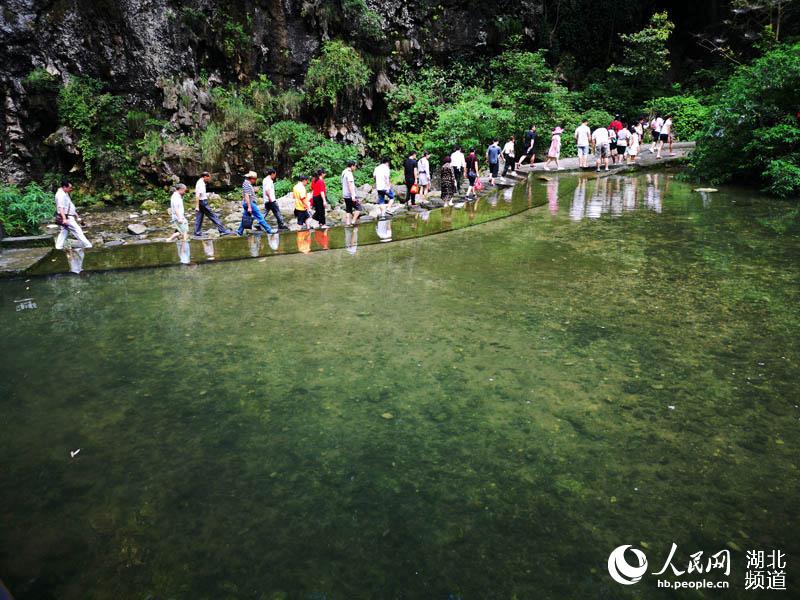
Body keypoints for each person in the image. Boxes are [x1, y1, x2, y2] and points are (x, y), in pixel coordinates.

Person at [54, 180, 92, 249]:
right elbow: (61, 207)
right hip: (67, 217)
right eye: (70, 187)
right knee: (77, 230)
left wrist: (76, 215)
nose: (71, 189)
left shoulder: (65, 193)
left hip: (68, 215)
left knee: (64, 231)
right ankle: (88, 245)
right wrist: (64, 219)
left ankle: (58, 247)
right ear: (64, 187)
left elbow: (69, 205)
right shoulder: (60, 195)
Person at [194, 172, 232, 237]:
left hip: (201, 202)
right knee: (213, 216)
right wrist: (197, 206)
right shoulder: (200, 183)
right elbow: (197, 195)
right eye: (208, 178)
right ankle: (223, 230)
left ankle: (197, 232)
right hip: (202, 202)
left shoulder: (201, 182)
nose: (209, 179)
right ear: (205, 177)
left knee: (199, 217)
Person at [238, 171, 274, 236]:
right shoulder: (246, 184)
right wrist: (249, 207)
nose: (255, 181)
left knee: (245, 217)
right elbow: (246, 195)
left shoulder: (247, 184)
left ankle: (239, 231)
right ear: (251, 178)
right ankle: (269, 230)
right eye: (255, 179)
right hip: (250, 203)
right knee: (260, 217)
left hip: (248, 203)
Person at [341, 160, 362, 227]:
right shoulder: (349, 174)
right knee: (359, 208)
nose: (355, 168)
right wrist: (353, 196)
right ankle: (353, 222)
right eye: (355, 166)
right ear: (352, 166)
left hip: (345, 194)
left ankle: (348, 223)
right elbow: (350, 185)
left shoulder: (344, 172)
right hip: (350, 195)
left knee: (348, 209)